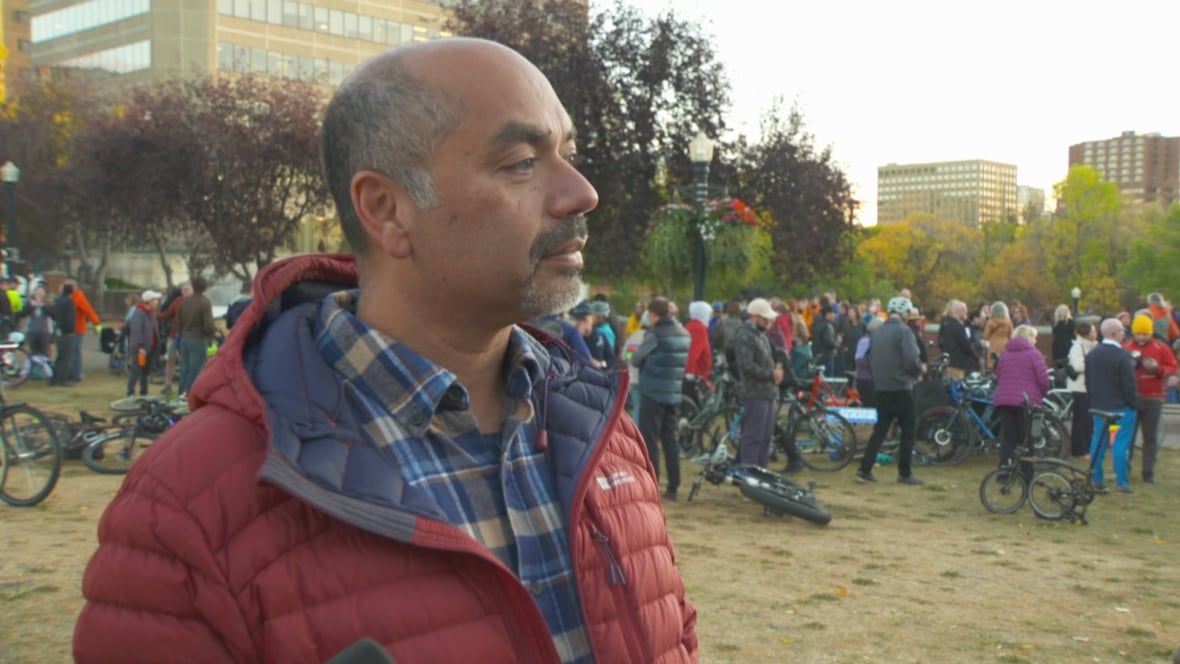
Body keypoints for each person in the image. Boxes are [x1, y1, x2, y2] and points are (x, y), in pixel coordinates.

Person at [74, 38, 696, 663]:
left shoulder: (601, 430)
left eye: (568, 153)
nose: (582, 192)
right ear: (388, 209)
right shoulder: (192, 502)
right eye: (520, 163)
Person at [856, 296, 925, 485]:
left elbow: (868, 359)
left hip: (881, 387)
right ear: (904, 314)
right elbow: (911, 360)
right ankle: (905, 472)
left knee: (880, 430)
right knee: (908, 430)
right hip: (901, 387)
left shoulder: (877, 332)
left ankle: (864, 468)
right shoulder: (904, 332)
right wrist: (919, 370)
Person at [630, 296, 690, 500]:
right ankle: (674, 485)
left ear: (653, 314)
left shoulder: (654, 334)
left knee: (650, 440)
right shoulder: (684, 333)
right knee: (670, 439)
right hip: (673, 393)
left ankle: (652, 484)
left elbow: (637, 359)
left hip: (653, 392)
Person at [1085, 318, 1139, 494]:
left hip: (1099, 407)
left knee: (1098, 442)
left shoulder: (1092, 355)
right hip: (1120, 409)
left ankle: (1095, 478)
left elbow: (1089, 381)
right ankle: (1121, 482)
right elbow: (1129, 385)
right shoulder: (1123, 356)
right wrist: (1132, 405)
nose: (1124, 334)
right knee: (1119, 444)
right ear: (1115, 333)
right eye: (1122, 331)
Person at [1122, 314, 1177, 484]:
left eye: (1145, 334)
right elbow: (1117, 368)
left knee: (1150, 437)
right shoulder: (1126, 347)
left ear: (1151, 333)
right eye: (1138, 333)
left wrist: (1157, 369)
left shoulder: (1161, 348)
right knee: (1127, 436)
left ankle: (1148, 471)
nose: (1141, 337)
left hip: (1153, 398)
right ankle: (1125, 468)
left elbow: (1172, 367)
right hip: (1131, 398)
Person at [731, 298, 784, 468]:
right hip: (754, 393)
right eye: (764, 318)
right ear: (753, 317)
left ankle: (761, 471)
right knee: (753, 436)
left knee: (766, 436)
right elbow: (746, 366)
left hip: (768, 393)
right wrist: (771, 374)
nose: (768, 322)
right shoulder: (744, 335)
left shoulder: (760, 335)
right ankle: (749, 472)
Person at [991, 325, 1051, 469]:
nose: (1035, 341)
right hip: (1026, 401)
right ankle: (1026, 472)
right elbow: (1043, 379)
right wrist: (1042, 394)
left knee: (1009, 438)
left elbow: (999, 376)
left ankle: (1005, 470)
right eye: (1034, 337)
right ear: (1028, 338)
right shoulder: (1034, 354)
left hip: (1004, 401)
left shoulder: (1005, 354)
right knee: (1026, 439)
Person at [176, 276, 216, 395]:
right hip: (198, 339)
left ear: (193, 286)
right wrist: (212, 332)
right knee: (196, 369)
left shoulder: (184, 303)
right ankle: (189, 394)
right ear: (205, 288)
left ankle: (181, 392)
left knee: (185, 368)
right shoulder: (205, 302)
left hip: (184, 338)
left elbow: (179, 323)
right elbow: (208, 324)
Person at [1066, 322, 1098, 459]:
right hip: (1079, 388)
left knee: (1089, 421)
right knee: (1081, 420)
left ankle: (1088, 447)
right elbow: (1078, 366)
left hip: (1090, 387)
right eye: (1093, 331)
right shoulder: (1077, 347)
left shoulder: (1094, 347)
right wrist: (1094, 364)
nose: (1095, 334)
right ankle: (1079, 450)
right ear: (1086, 333)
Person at [125, 290, 162, 397]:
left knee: (145, 372)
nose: (157, 302)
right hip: (140, 348)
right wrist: (140, 346)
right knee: (136, 370)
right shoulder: (139, 313)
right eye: (155, 300)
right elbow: (136, 331)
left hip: (150, 347)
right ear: (149, 301)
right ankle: (130, 391)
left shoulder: (151, 314)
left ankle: (144, 392)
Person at [68, 280, 102, 382]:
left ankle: (76, 373)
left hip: (78, 329)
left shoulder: (78, 298)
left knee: (75, 351)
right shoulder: (71, 297)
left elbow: (89, 310)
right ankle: (72, 372)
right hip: (71, 328)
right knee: (72, 351)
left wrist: (96, 323)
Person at [938, 299, 977, 380]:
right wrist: (975, 357)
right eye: (962, 310)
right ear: (957, 311)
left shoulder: (944, 324)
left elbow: (940, 342)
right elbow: (965, 345)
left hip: (946, 362)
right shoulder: (958, 327)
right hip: (957, 364)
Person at [683, 300, 714, 402]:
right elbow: (693, 352)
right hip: (697, 373)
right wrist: (690, 372)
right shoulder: (699, 329)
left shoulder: (690, 326)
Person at [49, 283, 76, 386]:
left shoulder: (58, 300)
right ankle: (63, 379)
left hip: (58, 330)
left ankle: (55, 378)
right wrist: (71, 330)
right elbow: (70, 318)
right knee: (66, 357)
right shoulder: (69, 302)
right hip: (66, 332)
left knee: (60, 356)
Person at [854, 317, 884, 407]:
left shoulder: (864, 340)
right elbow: (859, 360)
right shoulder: (867, 341)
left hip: (864, 378)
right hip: (868, 379)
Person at [810, 298, 839, 377]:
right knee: (828, 380)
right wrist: (837, 344)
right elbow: (828, 341)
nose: (833, 315)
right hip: (827, 356)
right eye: (832, 313)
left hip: (817, 355)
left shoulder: (817, 324)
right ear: (828, 314)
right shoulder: (827, 326)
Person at [982, 301, 1013, 370]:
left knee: (992, 364)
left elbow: (985, 336)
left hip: (993, 345)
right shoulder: (1008, 322)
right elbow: (1011, 336)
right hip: (1005, 345)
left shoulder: (990, 321)